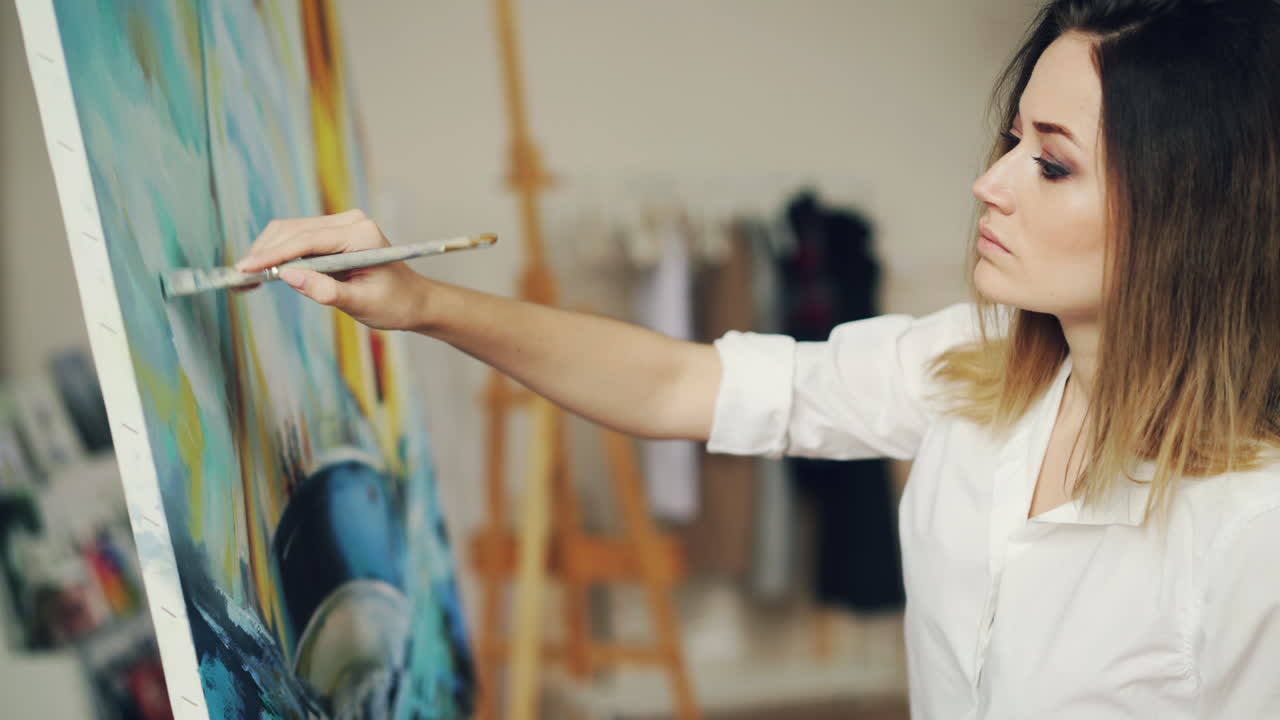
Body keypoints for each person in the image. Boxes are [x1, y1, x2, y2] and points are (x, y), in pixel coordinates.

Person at [235, 0, 1280, 717]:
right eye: (1011, 141)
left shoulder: (1248, 527)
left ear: (1185, 219)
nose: (991, 183)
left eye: (1050, 164)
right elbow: (681, 384)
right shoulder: (970, 369)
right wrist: (422, 304)